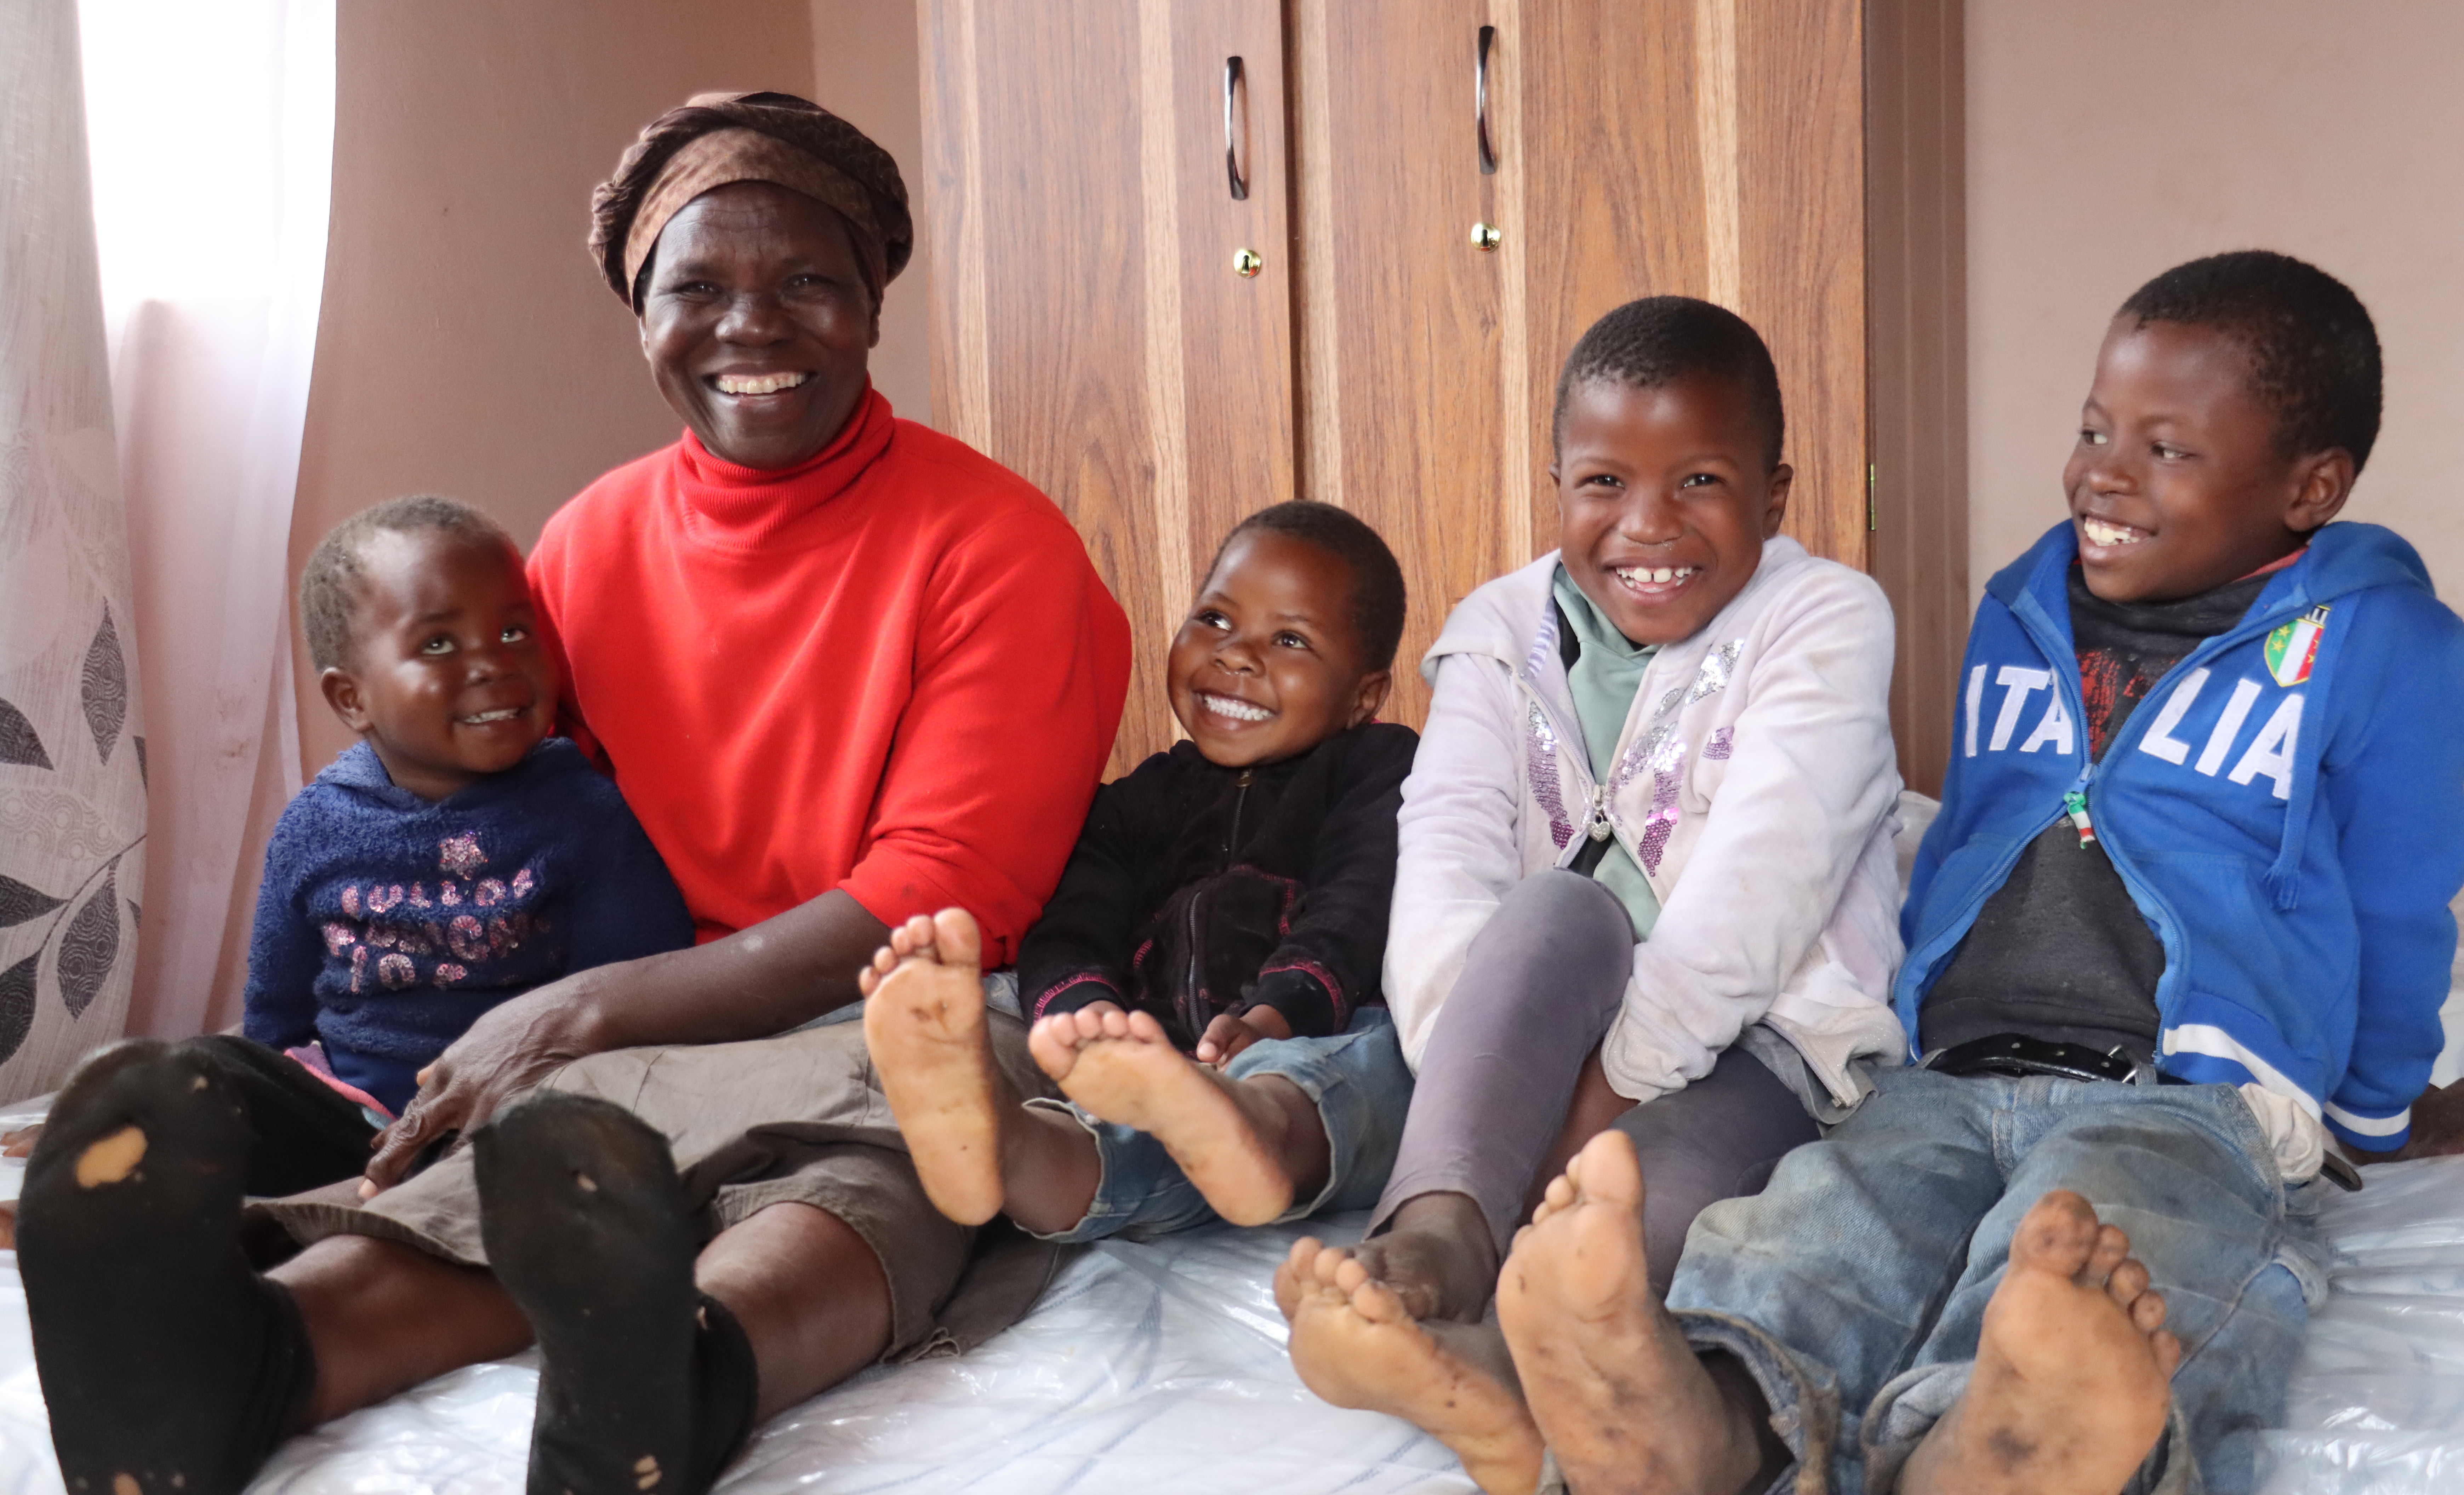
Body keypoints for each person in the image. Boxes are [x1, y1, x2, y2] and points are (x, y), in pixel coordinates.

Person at [16, 91, 1131, 1495]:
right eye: (699, 288)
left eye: (808, 284)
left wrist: (575, 1008)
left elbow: (941, 887)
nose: (754, 326)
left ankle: (687, 1367)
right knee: (532, 1176)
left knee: (870, 1162)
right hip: (646, 1000)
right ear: (643, 316)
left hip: (898, 994)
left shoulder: (998, 544)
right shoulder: (592, 539)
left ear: (871, 305)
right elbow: (522, 791)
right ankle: (244, 1360)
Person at [1482, 251, 2464, 1495]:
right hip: (1950, 1072)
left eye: (2166, 450)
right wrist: (1889, 1019)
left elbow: (2398, 897)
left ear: (2308, 488)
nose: (2104, 471)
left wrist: (2372, 1113)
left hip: (2181, 1091)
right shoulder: (2023, 600)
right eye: (2097, 429)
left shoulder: (2387, 646)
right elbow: (1963, 834)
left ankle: (2000, 1441)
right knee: (1822, 1230)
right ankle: (1700, 1417)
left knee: (2117, 1245)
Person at [1278, 297, 1907, 1493]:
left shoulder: (1828, 618)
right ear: (1559, 481)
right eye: (1606, 481)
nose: (1649, 525)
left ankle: (1501, 1382)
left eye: (1703, 482)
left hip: (1754, 1042)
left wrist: (1599, 1107)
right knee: (1561, 912)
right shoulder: (1496, 630)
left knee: (1636, 1220)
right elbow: (1447, 855)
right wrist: (1475, 1094)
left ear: (1775, 497)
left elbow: (1766, 881)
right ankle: (1441, 1243)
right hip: (1532, 1018)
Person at [863, 500, 1418, 1245]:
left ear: (1365, 697)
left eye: (1289, 639)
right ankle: (1006, 1143)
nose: (1236, 654)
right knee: (1113, 1114)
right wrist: (1089, 1019)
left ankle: (1247, 1130)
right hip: (1157, 1058)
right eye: (1216, 619)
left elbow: (1358, 904)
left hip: (1315, 1031)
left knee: (1367, 1068)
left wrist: (1275, 1016)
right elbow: (1072, 923)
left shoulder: (1379, 768)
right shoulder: (1137, 802)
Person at [212, 495, 695, 1193]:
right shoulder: (314, 826)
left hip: (515, 1114)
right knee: (208, 1075)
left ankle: (356, 1218)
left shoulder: (582, 809)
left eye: (515, 633)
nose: (493, 664)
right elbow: (275, 1016)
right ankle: (121, 1176)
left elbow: (637, 987)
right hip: (350, 1114)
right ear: (353, 699)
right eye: (439, 644)